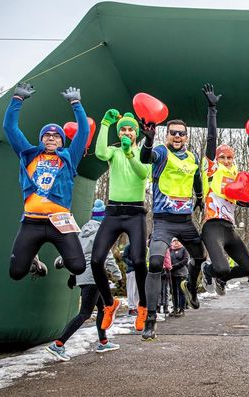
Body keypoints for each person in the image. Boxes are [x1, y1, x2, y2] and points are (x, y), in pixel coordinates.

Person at [139, 87, 207, 340]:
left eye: (181, 134)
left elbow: (197, 178)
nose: (177, 137)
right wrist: (148, 139)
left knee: (200, 257)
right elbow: (146, 158)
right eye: (173, 133)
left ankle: (190, 285)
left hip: (186, 222)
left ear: (186, 137)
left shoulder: (192, 156)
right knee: (155, 263)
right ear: (167, 135)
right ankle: (151, 318)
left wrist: (199, 198)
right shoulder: (160, 151)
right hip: (164, 221)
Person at [4, 83, 88, 281]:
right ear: (41, 140)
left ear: (62, 141)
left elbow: (83, 132)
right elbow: (9, 128)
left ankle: (64, 256)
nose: (51, 138)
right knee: (16, 273)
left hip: (59, 223)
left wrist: (76, 103)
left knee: (78, 267)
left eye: (56, 136)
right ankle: (34, 260)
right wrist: (16, 100)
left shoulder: (69, 157)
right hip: (31, 222)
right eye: (47, 136)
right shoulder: (29, 155)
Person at [182, 84, 249, 302]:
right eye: (223, 157)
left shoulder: (234, 177)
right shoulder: (212, 171)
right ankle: (210, 272)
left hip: (229, 228)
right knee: (221, 267)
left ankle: (221, 277)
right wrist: (212, 110)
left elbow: (235, 197)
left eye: (229, 158)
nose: (226, 160)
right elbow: (212, 140)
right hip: (212, 226)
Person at [92, 109, 151, 333]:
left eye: (130, 130)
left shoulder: (143, 152)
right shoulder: (114, 152)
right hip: (113, 211)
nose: (127, 132)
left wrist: (129, 153)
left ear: (136, 133)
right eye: (123, 129)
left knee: (138, 261)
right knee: (96, 259)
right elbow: (98, 153)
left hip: (135, 212)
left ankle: (143, 306)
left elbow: (143, 173)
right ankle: (109, 304)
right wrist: (105, 124)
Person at [45, 200, 122, 361]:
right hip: (94, 276)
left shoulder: (83, 231)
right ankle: (58, 344)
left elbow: (75, 253)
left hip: (83, 275)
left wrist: (73, 274)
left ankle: (103, 342)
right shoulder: (102, 232)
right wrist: (118, 275)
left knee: (102, 308)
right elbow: (106, 256)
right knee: (85, 313)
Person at [169, 238, 189, 317]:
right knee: (174, 292)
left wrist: (175, 266)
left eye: (177, 240)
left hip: (181, 273)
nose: (176, 242)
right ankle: (175, 308)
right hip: (172, 274)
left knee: (181, 292)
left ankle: (182, 309)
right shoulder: (170, 250)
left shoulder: (183, 249)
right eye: (174, 241)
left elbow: (185, 260)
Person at [121, 244, 139, 316]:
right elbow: (124, 257)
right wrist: (131, 263)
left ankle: (136, 307)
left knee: (137, 291)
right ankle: (131, 308)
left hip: (140, 271)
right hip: (131, 270)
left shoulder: (140, 246)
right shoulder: (128, 246)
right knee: (131, 290)